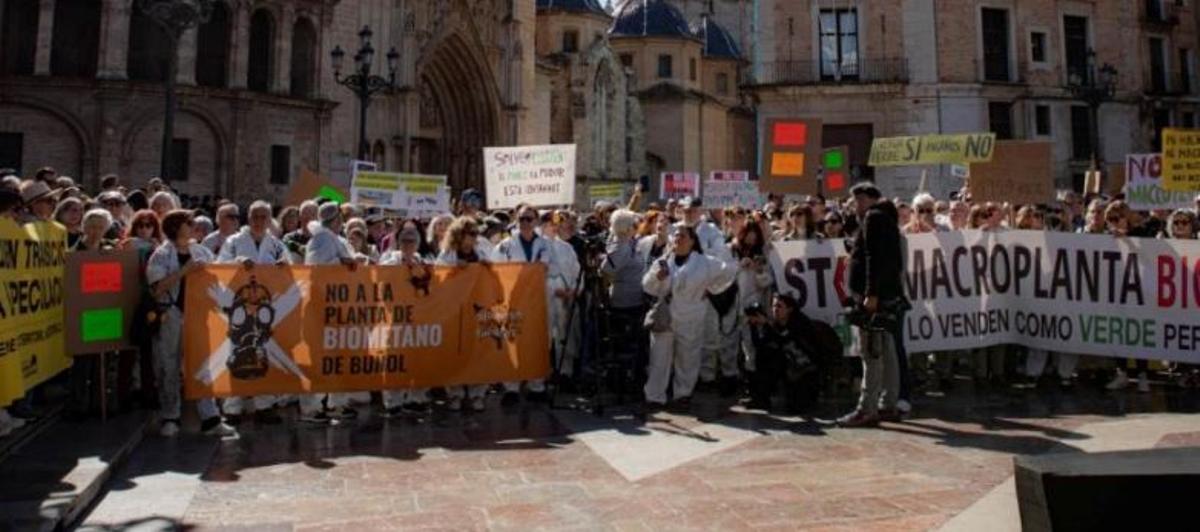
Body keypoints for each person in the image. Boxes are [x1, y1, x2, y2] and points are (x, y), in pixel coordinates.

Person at [146, 210, 237, 437]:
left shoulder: (202, 251)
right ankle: (171, 416)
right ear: (177, 227)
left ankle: (210, 418)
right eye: (188, 222)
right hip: (172, 314)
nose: (193, 225)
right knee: (170, 365)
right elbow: (156, 290)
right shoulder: (161, 255)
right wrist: (184, 271)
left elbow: (219, 276)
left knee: (203, 365)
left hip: (199, 315)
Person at [640, 225, 735, 409]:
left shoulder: (705, 262)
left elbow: (729, 272)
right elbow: (646, 286)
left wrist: (710, 289)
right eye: (675, 236)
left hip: (691, 317)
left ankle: (683, 395)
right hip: (665, 317)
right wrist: (657, 278)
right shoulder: (663, 261)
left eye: (683, 236)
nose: (678, 239)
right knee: (659, 358)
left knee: (688, 358)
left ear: (692, 241)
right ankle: (654, 397)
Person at [216, 201, 292, 425]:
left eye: (263, 217)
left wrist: (283, 265)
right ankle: (232, 408)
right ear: (248, 219)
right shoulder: (234, 241)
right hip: (238, 309)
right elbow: (219, 266)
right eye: (255, 217)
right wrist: (237, 263)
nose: (259, 222)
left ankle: (264, 405)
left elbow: (289, 266)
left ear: (270, 220)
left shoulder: (276, 244)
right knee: (235, 355)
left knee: (263, 354)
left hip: (266, 312)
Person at [838, 183, 903, 428]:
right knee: (887, 349)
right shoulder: (887, 218)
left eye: (857, 202)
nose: (855, 207)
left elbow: (873, 259)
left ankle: (867, 408)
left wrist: (870, 293)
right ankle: (889, 403)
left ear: (866, 199)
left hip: (875, 299)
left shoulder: (874, 218)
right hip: (886, 296)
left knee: (872, 351)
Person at [301, 202, 359, 423]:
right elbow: (316, 268)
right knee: (318, 358)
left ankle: (337, 403)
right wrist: (341, 262)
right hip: (320, 307)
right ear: (336, 219)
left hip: (338, 306)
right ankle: (311, 407)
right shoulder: (322, 238)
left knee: (337, 357)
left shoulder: (336, 239)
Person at [491, 205, 553, 404]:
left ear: (535, 221)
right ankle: (512, 387)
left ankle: (537, 385)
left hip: (537, 300)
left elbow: (549, 268)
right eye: (521, 219)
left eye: (529, 219)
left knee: (537, 342)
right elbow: (497, 269)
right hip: (514, 300)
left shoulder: (545, 244)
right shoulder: (505, 245)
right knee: (513, 340)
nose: (525, 223)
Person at [379, 224, 434, 417]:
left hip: (418, 319)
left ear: (418, 243)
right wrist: (404, 265)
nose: (408, 244)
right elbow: (380, 274)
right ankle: (393, 402)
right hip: (395, 318)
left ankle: (416, 398)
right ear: (398, 242)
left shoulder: (425, 262)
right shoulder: (389, 259)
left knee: (418, 359)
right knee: (394, 360)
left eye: (412, 240)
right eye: (405, 240)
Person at [436, 217, 489, 412]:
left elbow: (494, 275)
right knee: (455, 351)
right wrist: (453, 269)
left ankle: (477, 394)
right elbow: (437, 276)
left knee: (477, 351)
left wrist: (487, 266)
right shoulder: (448, 254)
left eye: (476, 234)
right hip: (455, 310)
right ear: (460, 235)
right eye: (470, 234)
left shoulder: (481, 252)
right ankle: (455, 394)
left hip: (476, 308)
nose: (474, 238)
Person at [1102, 201, 1151, 393]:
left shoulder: (1142, 234)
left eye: (1117, 218)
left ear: (1126, 217)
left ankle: (1142, 375)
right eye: (1110, 219)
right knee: (1118, 333)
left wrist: (1127, 239)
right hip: (1115, 293)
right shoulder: (1105, 238)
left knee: (1138, 334)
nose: (1114, 223)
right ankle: (1121, 373)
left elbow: (1149, 256)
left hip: (1138, 292)